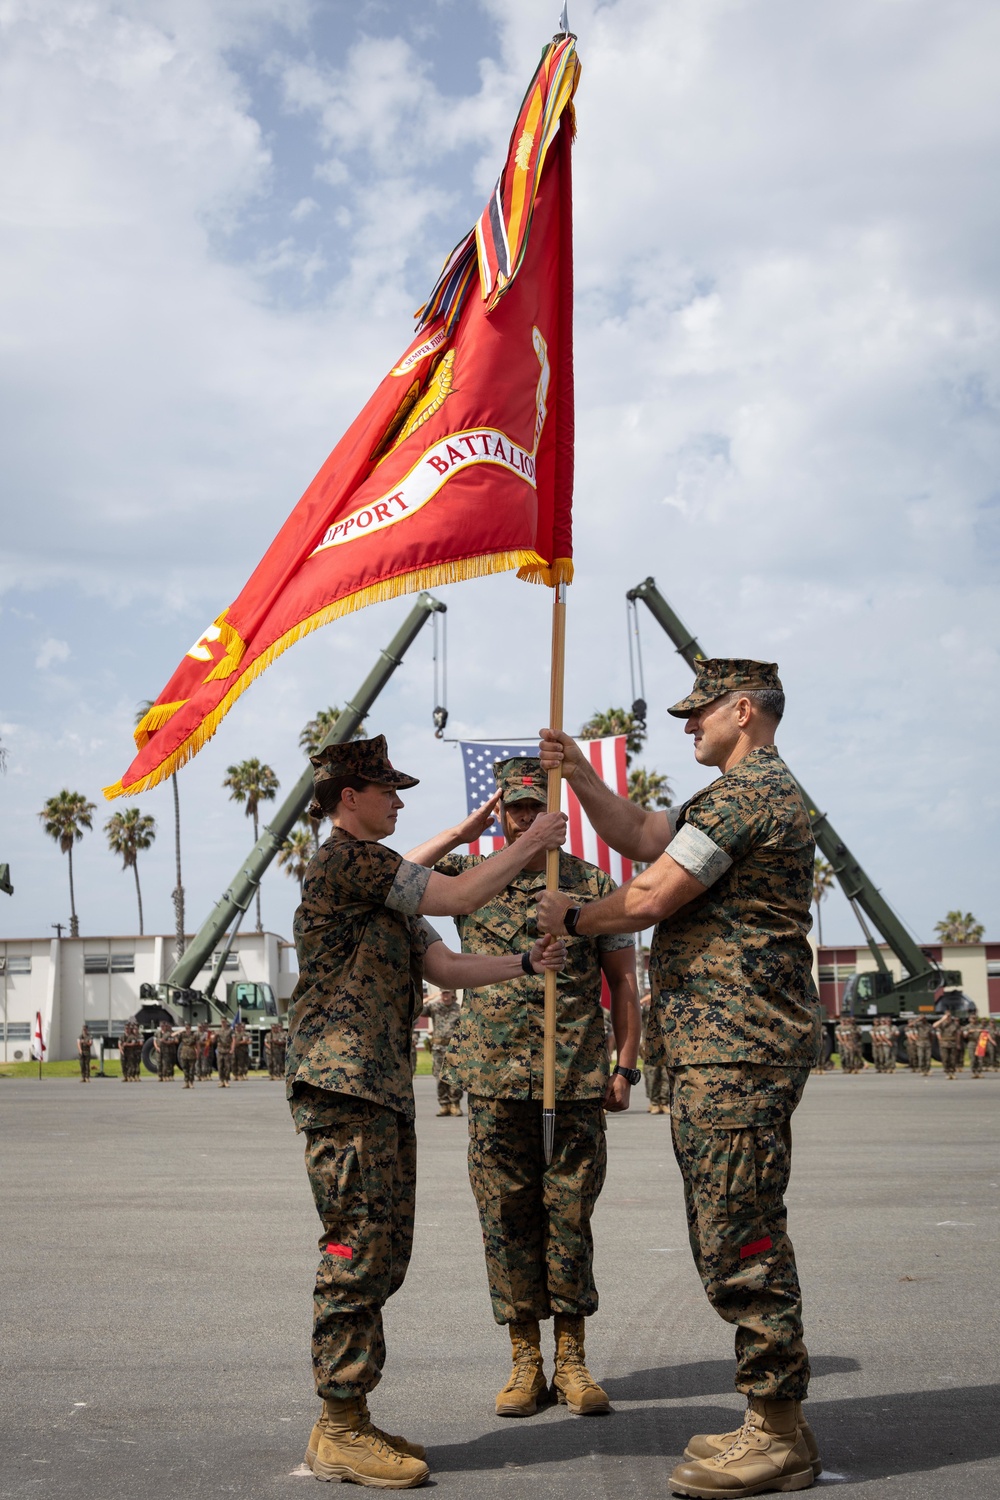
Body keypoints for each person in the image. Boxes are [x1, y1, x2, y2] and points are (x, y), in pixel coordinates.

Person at [538, 658, 824, 1496]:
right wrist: (583, 775)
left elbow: (654, 891)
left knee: (741, 1233)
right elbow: (644, 837)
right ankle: (777, 1423)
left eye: (699, 714)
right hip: (718, 1046)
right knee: (728, 1225)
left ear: (744, 710)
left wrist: (575, 918)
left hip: (737, 1045)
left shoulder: (752, 794)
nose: (689, 726)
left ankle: (776, 1430)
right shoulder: (729, 798)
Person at [287, 735, 568, 1488]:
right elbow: (459, 895)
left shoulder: (382, 881)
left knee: (383, 1252)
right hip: (341, 1086)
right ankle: (340, 1424)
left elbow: (443, 964)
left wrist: (523, 963)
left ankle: (344, 1418)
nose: (400, 801)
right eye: (389, 790)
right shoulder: (347, 859)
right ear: (351, 797)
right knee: (356, 1249)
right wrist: (533, 840)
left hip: (375, 1088)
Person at [406, 755, 641, 1419]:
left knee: (569, 1220)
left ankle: (571, 1358)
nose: (527, 818)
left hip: (574, 1082)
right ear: (499, 814)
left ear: (558, 812)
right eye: (514, 808)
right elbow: (401, 877)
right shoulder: (471, 884)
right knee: (506, 1222)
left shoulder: (591, 884)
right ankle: (524, 1359)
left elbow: (623, 982)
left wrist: (626, 1066)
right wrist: (461, 831)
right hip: (493, 1081)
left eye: (538, 807)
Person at [418, 989, 463, 1116]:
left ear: (452, 994)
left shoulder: (458, 1009)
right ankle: (444, 1104)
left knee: (454, 1077)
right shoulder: (434, 1007)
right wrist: (430, 998)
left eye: (447, 993)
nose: (445, 996)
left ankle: (455, 1104)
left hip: (454, 1048)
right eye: (443, 993)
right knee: (439, 1077)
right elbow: (418, 1009)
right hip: (438, 1048)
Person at [641, 998, 668, 1114]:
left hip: (667, 1045)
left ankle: (664, 1102)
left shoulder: (668, 1004)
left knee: (666, 1075)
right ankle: (654, 1102)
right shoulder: (646, 1009)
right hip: (650, 1045)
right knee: (651, 1074)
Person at [934, 1008, 962, 1079]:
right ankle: (947, 1072)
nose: (948, 1017)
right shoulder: (942, 1024)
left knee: (953, 1059)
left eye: (949, 1016)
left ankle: (952, 1072)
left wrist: (958, 1044)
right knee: (945, 1059)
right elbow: (934, 1026)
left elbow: (957, 1034)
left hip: (952, 1043)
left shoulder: (954, 1024)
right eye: (947, 1015)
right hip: (944, 1043)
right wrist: (942, 1019)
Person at [177, 1023, 199, 1088]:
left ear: (190, 1028)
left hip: (191, 1053)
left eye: (188, 1027)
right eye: (186, 1027)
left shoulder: (194, 1035)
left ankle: (191, 1082)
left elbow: (197, 1045)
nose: (187, 1029)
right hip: (184, 1053)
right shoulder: (182, 1035)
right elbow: (174, 1037)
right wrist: (179, 1031)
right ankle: (186, 1082)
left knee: (191, 1069)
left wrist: (197, 1053)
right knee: (185, 1068)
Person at [216, 1019, 233, 1088]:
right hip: (220, 1050)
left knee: (227, 1066)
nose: (223, 1023)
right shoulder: (218, 1031)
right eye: (222, 1022)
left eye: (224, 1022)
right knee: (220, 1066)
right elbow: (213, 1040)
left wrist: (232, 1049)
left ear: (226, 1022)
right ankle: (221, 1080)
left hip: (227, 1050)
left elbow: (233, 1040)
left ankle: (226, 1080)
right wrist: (214, 1036)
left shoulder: (230, 1031)